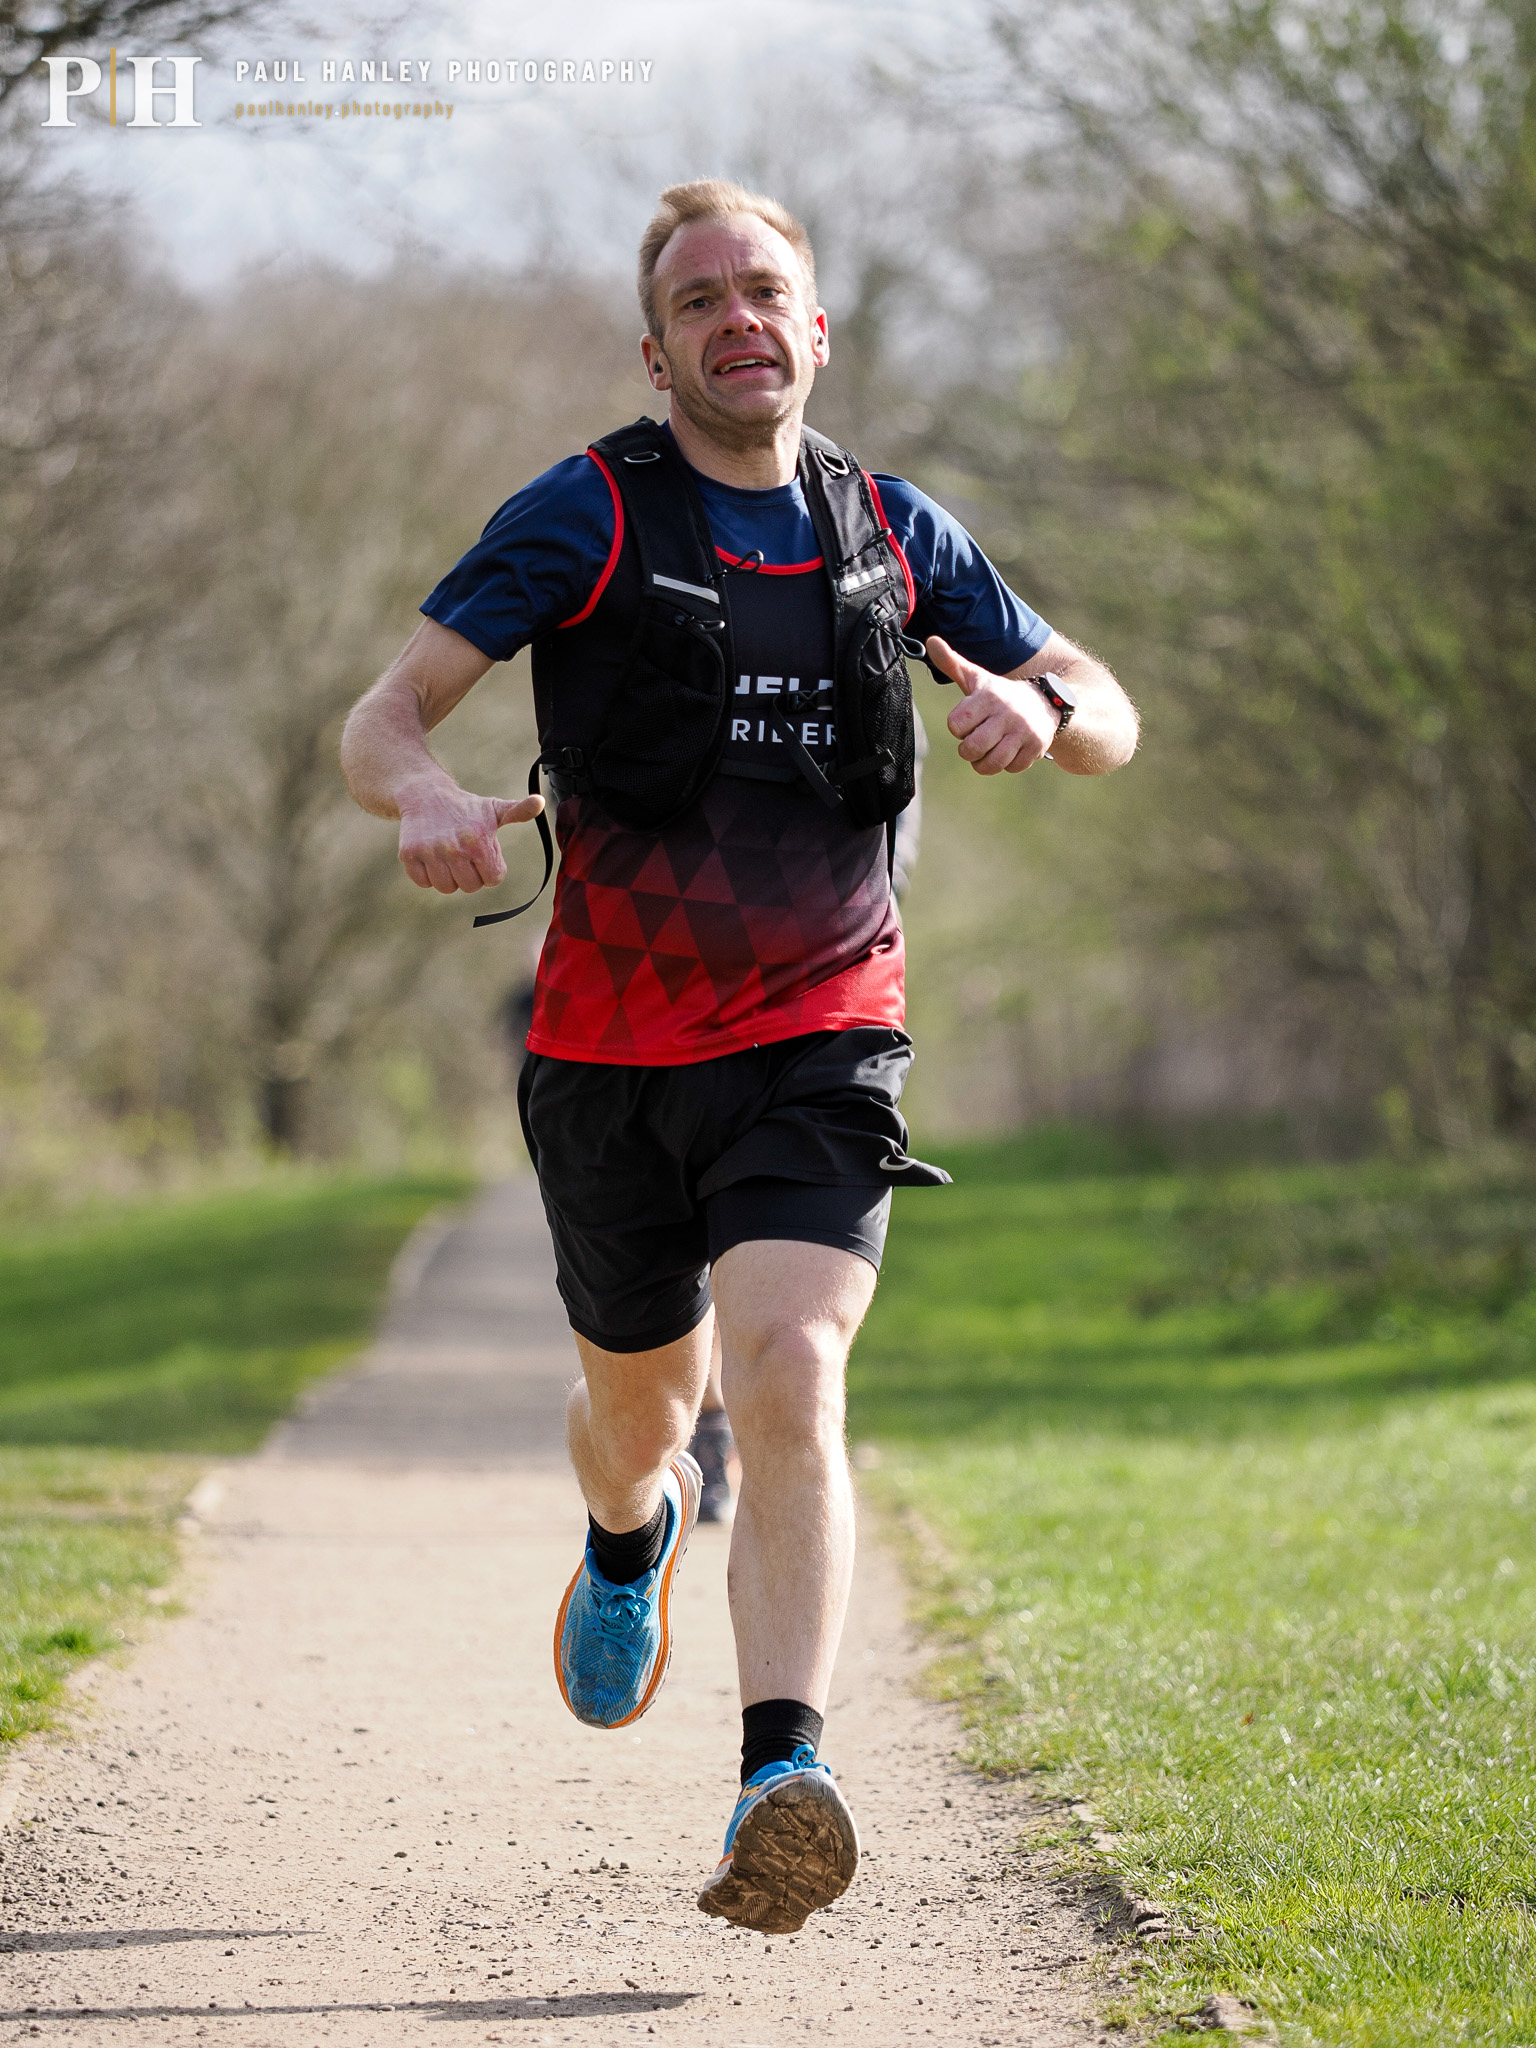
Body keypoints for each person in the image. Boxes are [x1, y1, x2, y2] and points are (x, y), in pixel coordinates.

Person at [339, 178, 1138, 1935]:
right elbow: (381, 717)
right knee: (641, 1416)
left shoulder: (894, 527)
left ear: (815, 329)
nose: (736, 321)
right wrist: (424, 797)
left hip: (822, 1031)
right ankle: (632, 1532)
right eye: (698, 302)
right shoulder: (585, 514)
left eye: (763, 291)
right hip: (610, 1053)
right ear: (658, 352)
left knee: (790, 1367)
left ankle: (785, 1777)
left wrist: (1045, 702)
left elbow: (1107, 707)